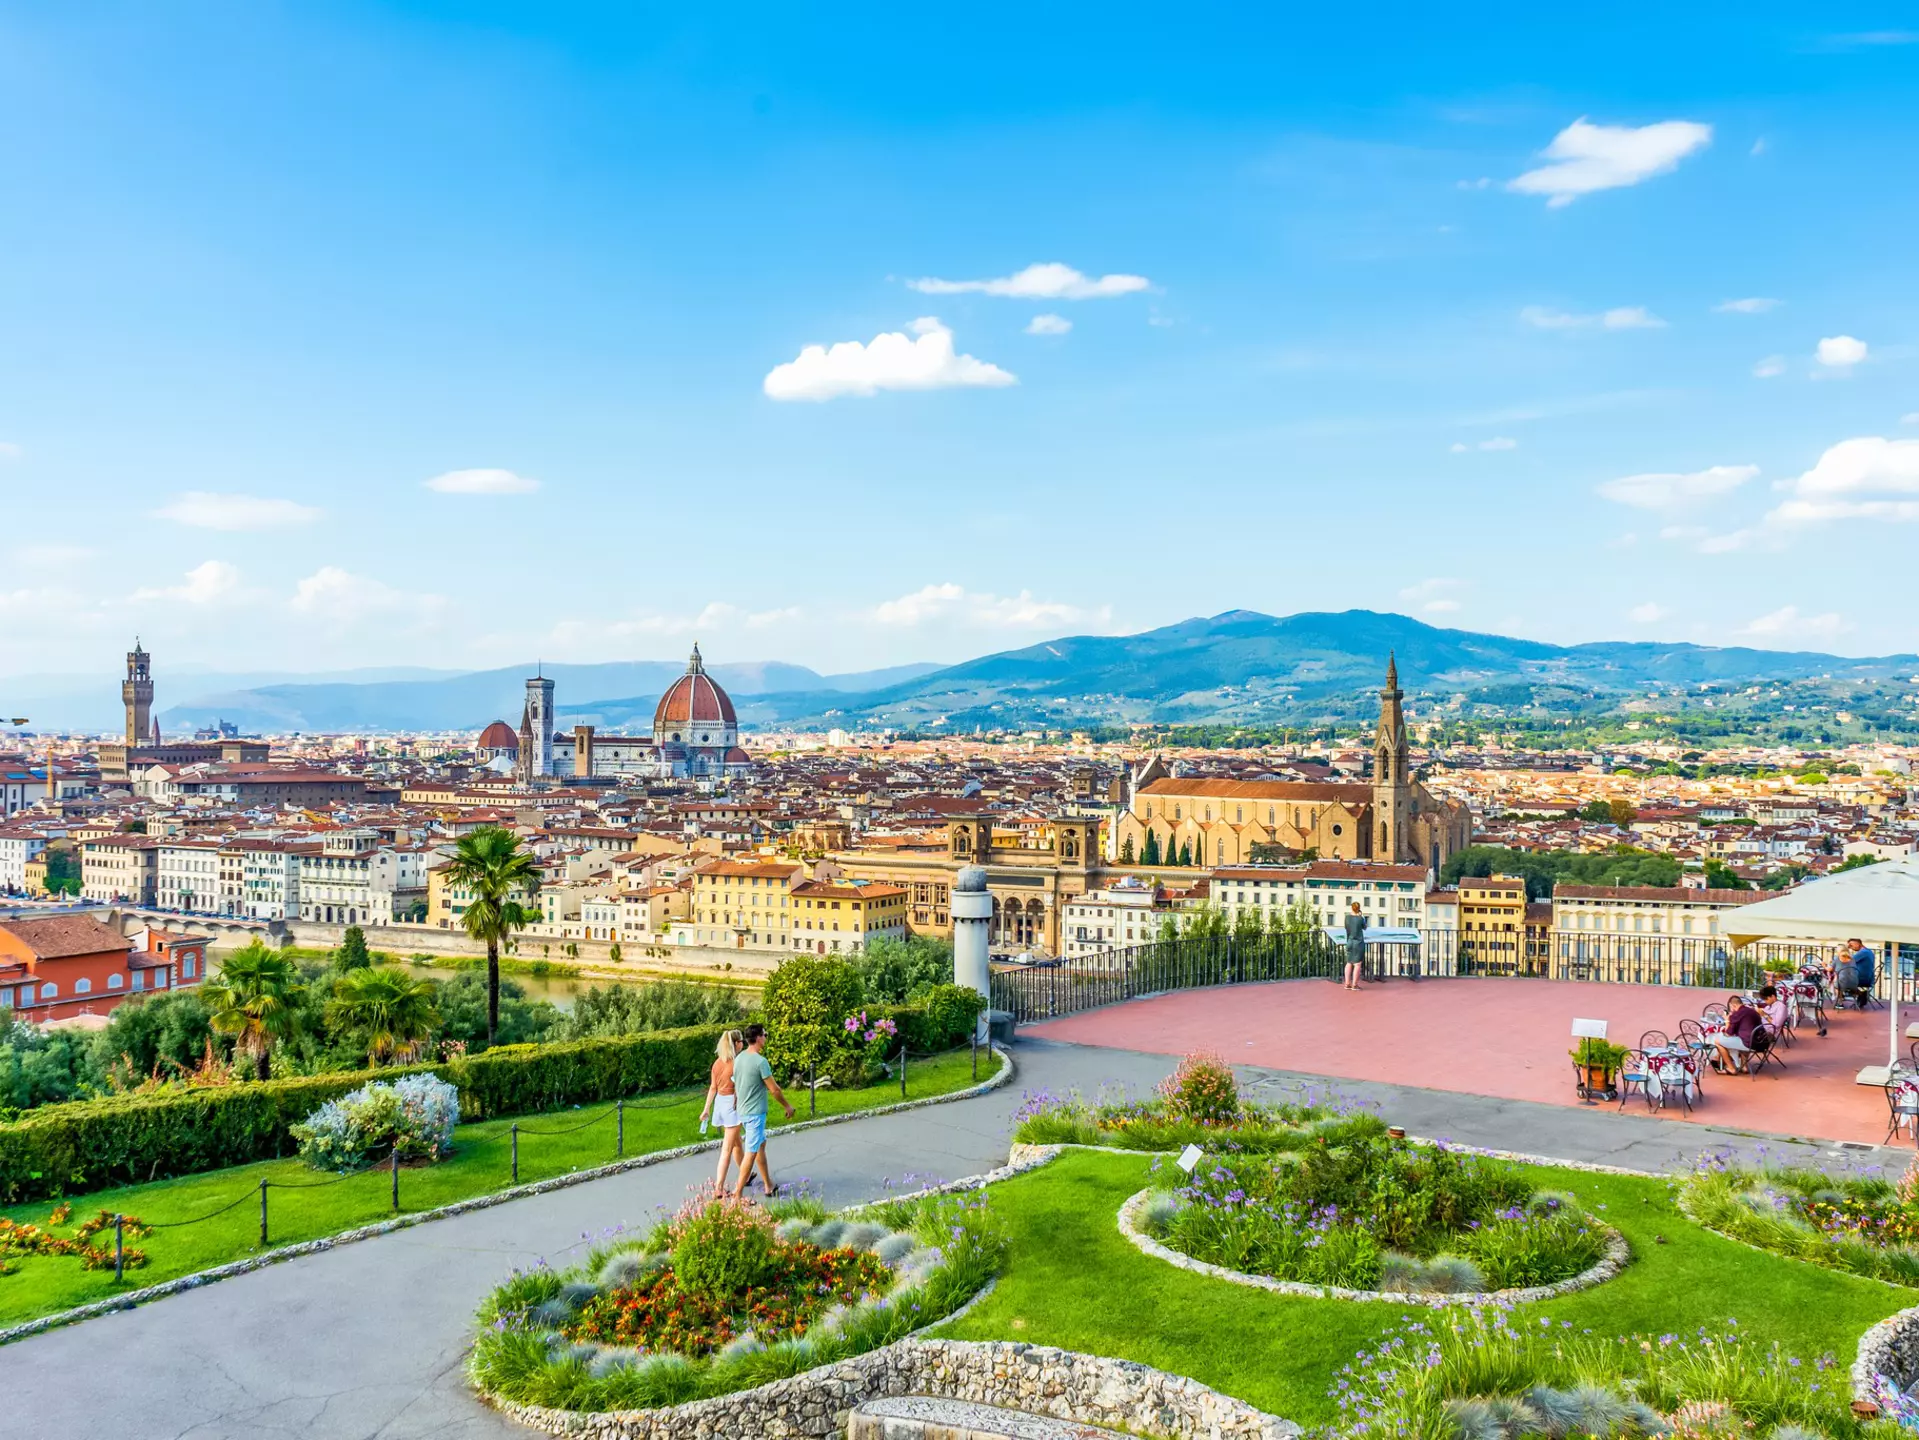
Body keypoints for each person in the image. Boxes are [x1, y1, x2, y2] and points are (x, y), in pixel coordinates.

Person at [729, 1023, 795, 1200]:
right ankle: (737, 1194)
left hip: (743, 1111)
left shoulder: (740, 1058)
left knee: (760, 1146)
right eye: (764, 1034)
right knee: (751, 1152)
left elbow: (736, 1083)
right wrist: (787, 1106)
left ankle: (768, 1185)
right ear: (758, 1038)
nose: (766, 1037)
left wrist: (736, 1103)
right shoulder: (760, 1062)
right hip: (755, 1114)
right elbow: (774, 1089)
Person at [698, 1029, 745, 1194]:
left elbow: (712, 1088)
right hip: (732, 1106)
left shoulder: (717, 1063)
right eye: (741, 1042)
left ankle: (745, 1173)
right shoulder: (737, 1063)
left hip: (720, 1103)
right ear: (737, 1044)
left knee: (736, 1142)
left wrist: (706, 1109)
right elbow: (740, 1088)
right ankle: (718, 1187)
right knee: (727, 1148)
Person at [1713, 994, 1765, 1074]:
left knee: (1717, 1041)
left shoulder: (1737, 1014)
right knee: (1744, 1036)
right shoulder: (1752, 1011)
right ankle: (1744, 1066)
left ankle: (1731, 1068)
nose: (1731, 1010)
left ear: (1733, 1005)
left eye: (1731, 1008)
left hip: (1749, 1044)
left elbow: (1728, 1033)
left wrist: (1727, 1020)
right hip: (1761, 1043)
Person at [1343, 901, 1368, 990]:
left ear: (1351, 908)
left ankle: (1347, 984)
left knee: (1349, 962)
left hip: (1349, 942)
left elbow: (1346, 928)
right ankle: (1355, 985)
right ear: (1358, 909)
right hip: (1358, 943)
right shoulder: (1360, 918)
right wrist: (1361, 916)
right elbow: (1365, 927)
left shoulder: (1347, 918)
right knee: (1357, 964)